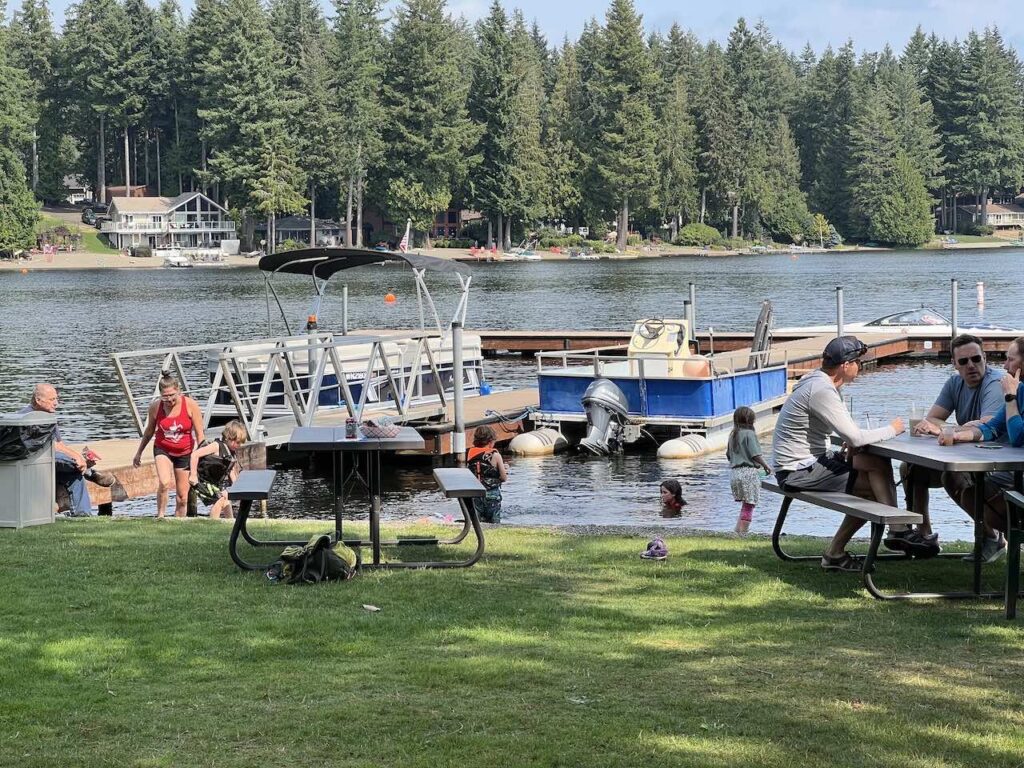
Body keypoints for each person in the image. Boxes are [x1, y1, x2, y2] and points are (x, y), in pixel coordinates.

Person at [771, 336, 906, 572]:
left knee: (874, 463)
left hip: (805, 464)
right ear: (845, 365)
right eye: (858, 362)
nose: (860, 366)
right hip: (798, 471)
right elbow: (855, 437)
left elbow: (849, 435)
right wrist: (892, 429)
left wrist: (852, 442)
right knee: (874, 485)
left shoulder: (821, 384)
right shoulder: (821, 389)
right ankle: (896, 530)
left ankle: (894, 531)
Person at [903, 333, 1006, 558]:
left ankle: (992, 537)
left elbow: (986, 425)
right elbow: (932, 418)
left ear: (985, 358)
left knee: (951, 476)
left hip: (994, 461)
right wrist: (948, 429)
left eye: (976, 359)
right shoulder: (954, 383)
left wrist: (945, 430)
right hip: (964, 454)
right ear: (955, 364)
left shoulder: (995, 383)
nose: (971, 365)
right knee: (911, 468)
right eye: (963, 361)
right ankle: (924, 536)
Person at [949, 335, 1024, 562]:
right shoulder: (1021, 391)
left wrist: (1009, 398)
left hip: (1019, 472)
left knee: (978, 492)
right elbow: (992, 427)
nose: (1005, 366)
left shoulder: (1014, 393)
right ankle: (1008, 537)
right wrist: (959, 435)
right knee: (971, 494)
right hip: (1015, 470)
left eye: (1010, 359)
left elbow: (1018, 436)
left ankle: (1013, 537)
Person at [20, 383, 116, 516]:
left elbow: (60, 444)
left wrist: (78, 456)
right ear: (38, 400)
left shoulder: (49, 416)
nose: (56, 403)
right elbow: (50, 445)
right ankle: (89, 472)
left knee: (74, 474)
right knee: (67, 460)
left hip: (49, 463)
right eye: (52, 399)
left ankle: (83, 515)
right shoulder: (27, 417)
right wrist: (77, 458)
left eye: (56, 399)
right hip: (33, 462)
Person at [132, 371, 205, 518]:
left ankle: (179, 523)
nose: (169, 399)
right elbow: (149, 431)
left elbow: (200, 435)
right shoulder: (155, 407)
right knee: (164, 482)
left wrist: (199, 457)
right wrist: (139, 452)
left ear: (178, 391)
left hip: (185, 451)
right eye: (165, 396)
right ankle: (160, 517)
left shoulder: (190, 405)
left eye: (172, 395)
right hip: (163, 448)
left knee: (182, 497)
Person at [187, 420, 247, 520]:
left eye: (240, 443)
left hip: (214, 483)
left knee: (226, 499)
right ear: (228, 437)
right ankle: (213, 522)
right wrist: (193, 475)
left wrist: (235, 488)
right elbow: (195, 455)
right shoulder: (216, 446)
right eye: (237, 442)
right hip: (201, 480)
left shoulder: (231, 453)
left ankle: (230, 521)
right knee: (220, 499)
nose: (238, 445)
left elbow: (231, 471)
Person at [727, 406, 772, 534]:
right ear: (750, 420)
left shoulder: (733, 435)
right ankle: (743, 533)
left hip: (735, 473)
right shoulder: (750, 434)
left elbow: (728, 455)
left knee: (745, 504)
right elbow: (755, 454)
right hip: (749, 473)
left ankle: (737, 531)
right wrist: (766, 466)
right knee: (749, 505)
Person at [466, 425, 507, 523]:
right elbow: (503, 478)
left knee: (477, 522)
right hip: (492, 495)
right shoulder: (495, 455)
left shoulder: (469, 454)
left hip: (475, 494)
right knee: (494, 523)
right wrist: (504, 469)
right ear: (490, 441)